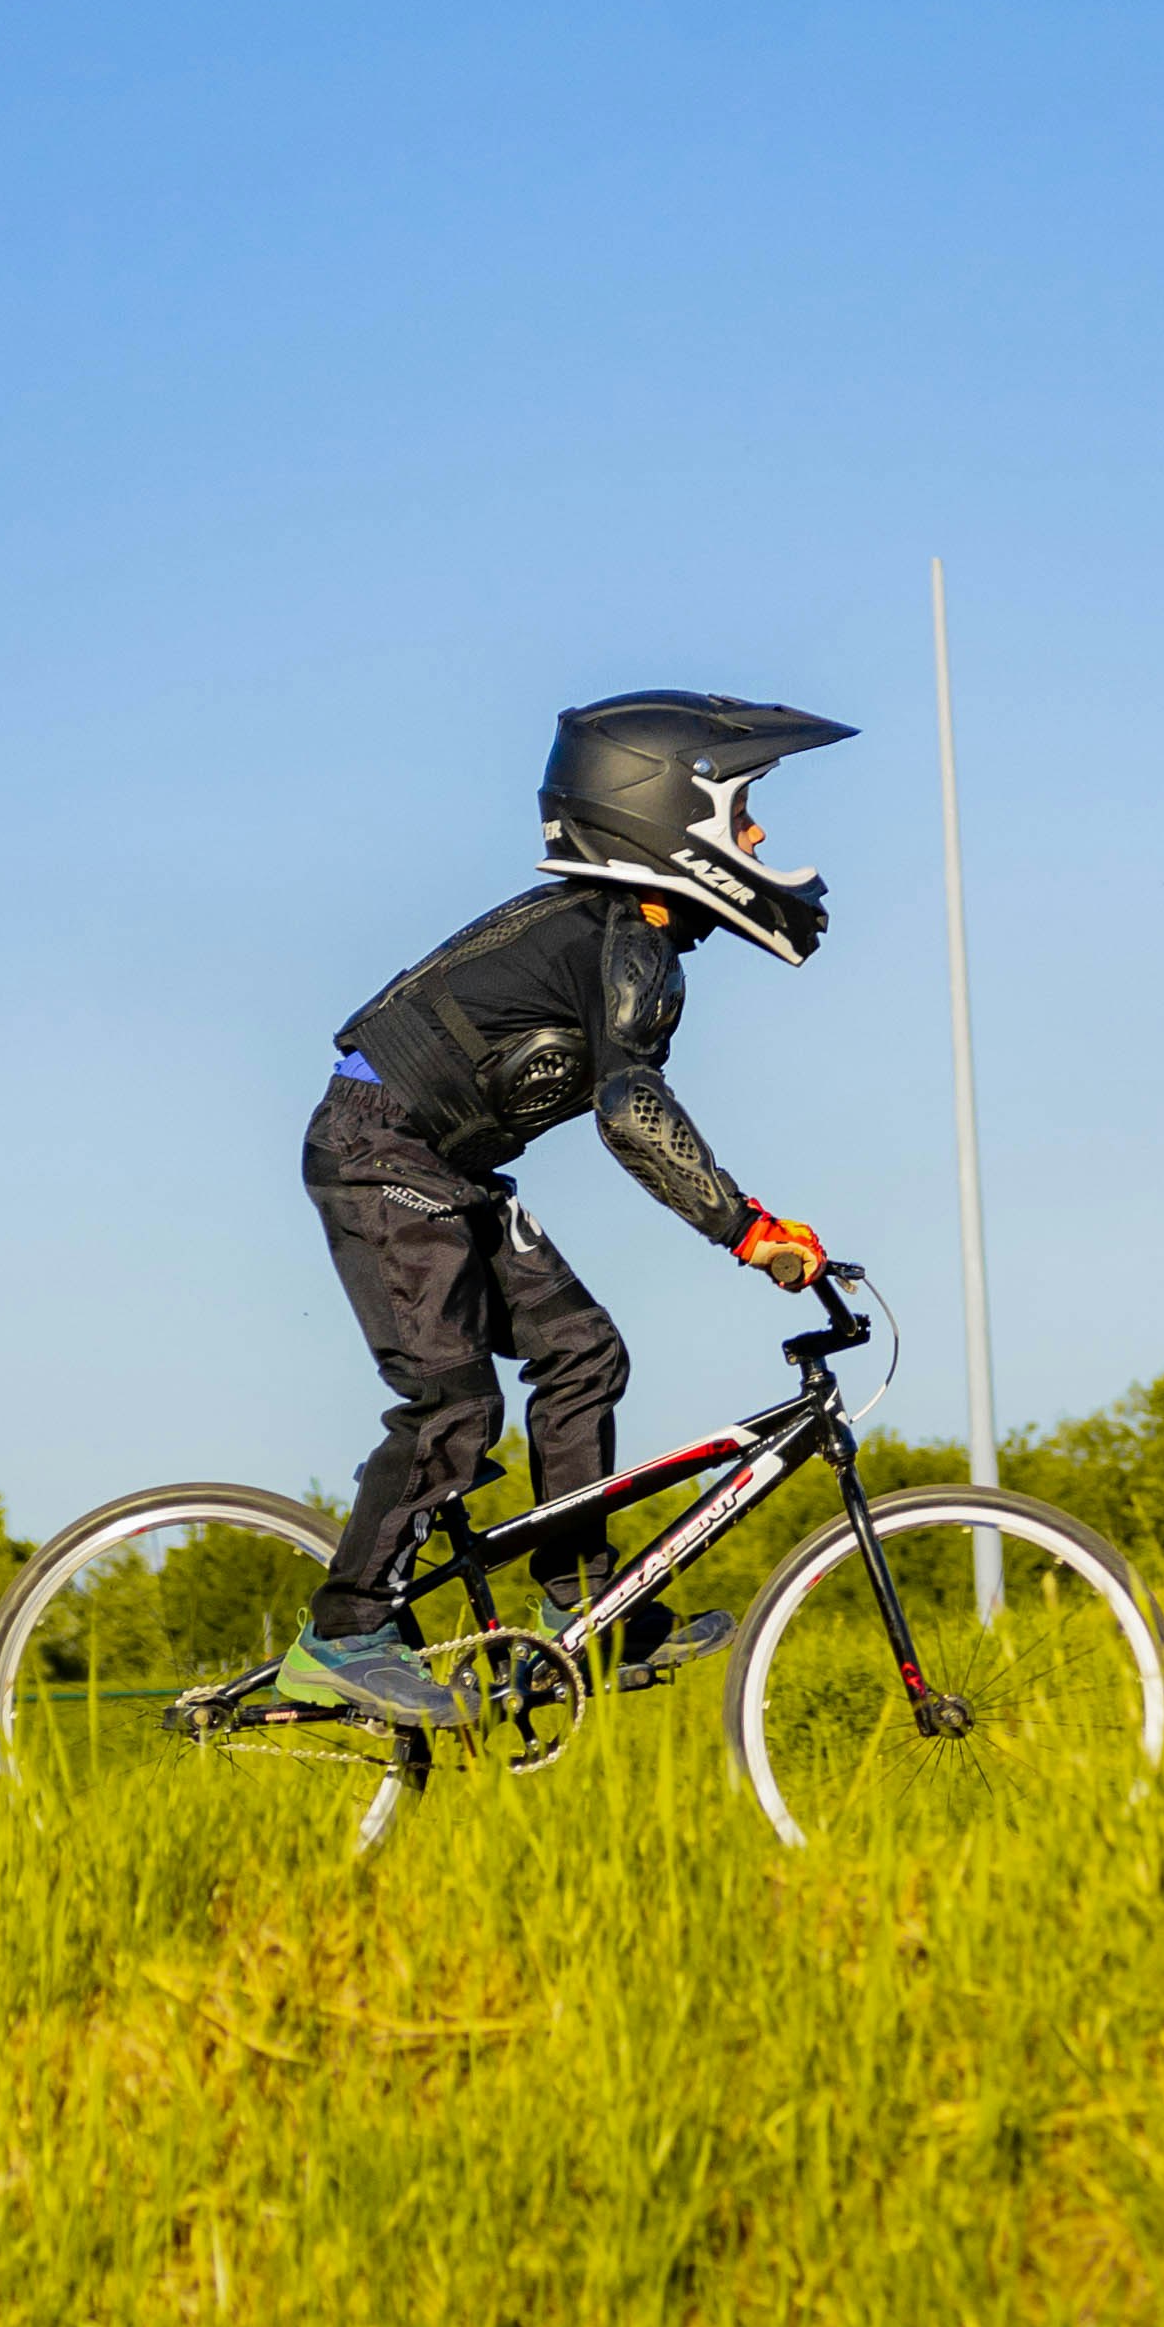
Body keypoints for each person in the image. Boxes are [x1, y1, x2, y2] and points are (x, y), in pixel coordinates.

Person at [278, 688, 855, 1726]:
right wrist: (748, 1229)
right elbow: (631, 1111)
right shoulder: (616, 938)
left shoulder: (627, 939)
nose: (760, 836)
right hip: (376, 1153)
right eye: (742, 812)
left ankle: (580, 1594)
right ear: (669, 814)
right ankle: (343, 1632)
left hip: (437, 1165)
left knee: (583, 1351)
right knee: (452, 1405)